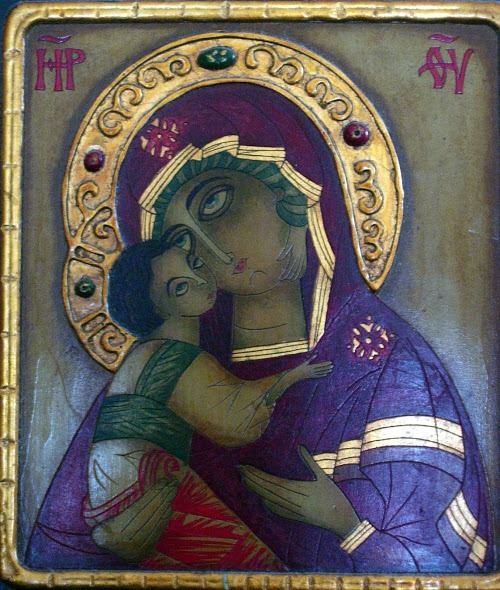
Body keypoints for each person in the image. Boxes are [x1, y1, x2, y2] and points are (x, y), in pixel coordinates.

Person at [27, 83, 492, 573]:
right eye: (182, 240)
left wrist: (348, 525)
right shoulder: (162, 378)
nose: (211, 251)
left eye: (217, 203)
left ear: (294, 187)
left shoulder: (384, 367)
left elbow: (436, 564)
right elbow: (61, 556)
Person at [85, 239, 333, 568]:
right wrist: (293, 377)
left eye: (195, 264)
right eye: (180, 287)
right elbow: (236, 421)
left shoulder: (146, 353)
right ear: (156, 308)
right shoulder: (171, 356)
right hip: (147, 493)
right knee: (258, 569)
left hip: (127, 493)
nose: (201, 281)